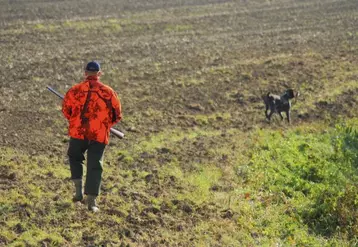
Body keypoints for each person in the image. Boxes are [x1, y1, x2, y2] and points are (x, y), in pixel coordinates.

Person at [62, 61, 122, 212]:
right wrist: (104, 124)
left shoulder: (74, 91)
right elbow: (117, 114)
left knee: (75, 158)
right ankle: (92, 203)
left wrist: (76, 122)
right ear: (99, 74)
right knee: (95, 165)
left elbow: (66, 111)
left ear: (85, 73)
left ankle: (78, 191)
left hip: (78, 133)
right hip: (99, 134)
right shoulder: (108, 92)